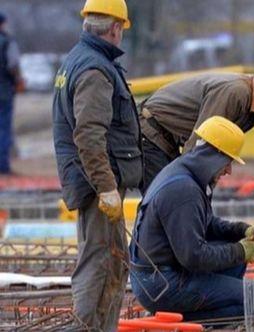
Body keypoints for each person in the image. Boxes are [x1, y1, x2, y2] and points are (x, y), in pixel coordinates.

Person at [52, 0, 141, 329]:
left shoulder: (83, 59)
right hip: (96, 186)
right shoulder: (94, 69)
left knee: (114, 262)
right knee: (99, 266)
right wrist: (105, 188)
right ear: (116, 28)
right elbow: (88, 136)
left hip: (96, 182)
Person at [130, 116, 254, 321]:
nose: (229, 170)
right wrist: (240, 250)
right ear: (215, 156)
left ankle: (193, 310)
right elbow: (194, 257)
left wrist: (242, 231)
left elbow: (207, 224)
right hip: (160, 284)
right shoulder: (183, 190)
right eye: (228, 161)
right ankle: (181, 320)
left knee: (236, 261)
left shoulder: (188, 174)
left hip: (162, 274)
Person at [139, 58, 254, 193]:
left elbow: (216, 153)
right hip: (152, 131)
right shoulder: (236, 94)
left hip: (167, 138)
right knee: (166, 200)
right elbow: (199, 145)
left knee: (174, 199)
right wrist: (198, 193)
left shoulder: (252, 110)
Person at [0, 12, 24, 174]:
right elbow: (13, 65)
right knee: (3, 127)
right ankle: (3, 166)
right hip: (3, 92)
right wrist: (19, 80)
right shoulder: (7, 41)